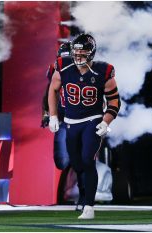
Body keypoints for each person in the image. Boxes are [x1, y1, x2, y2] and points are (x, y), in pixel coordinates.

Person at [48, 34, 120, 219]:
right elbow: (53, 90)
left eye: (83, 52)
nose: (79, 56)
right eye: (76, 52)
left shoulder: (103, 71)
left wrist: (106, 121)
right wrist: (53, 116)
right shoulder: (63, 66)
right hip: (71, 122)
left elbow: (114, 101)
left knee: (88, 159)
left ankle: (89, 205)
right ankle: (82, 194)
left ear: (91, 53)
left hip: (92, 120)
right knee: (76, 162)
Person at [41, 42, 71, 171]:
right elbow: (48, 94)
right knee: (61, 161)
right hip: (64, 118)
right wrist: (47, 115)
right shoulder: (54, 70)